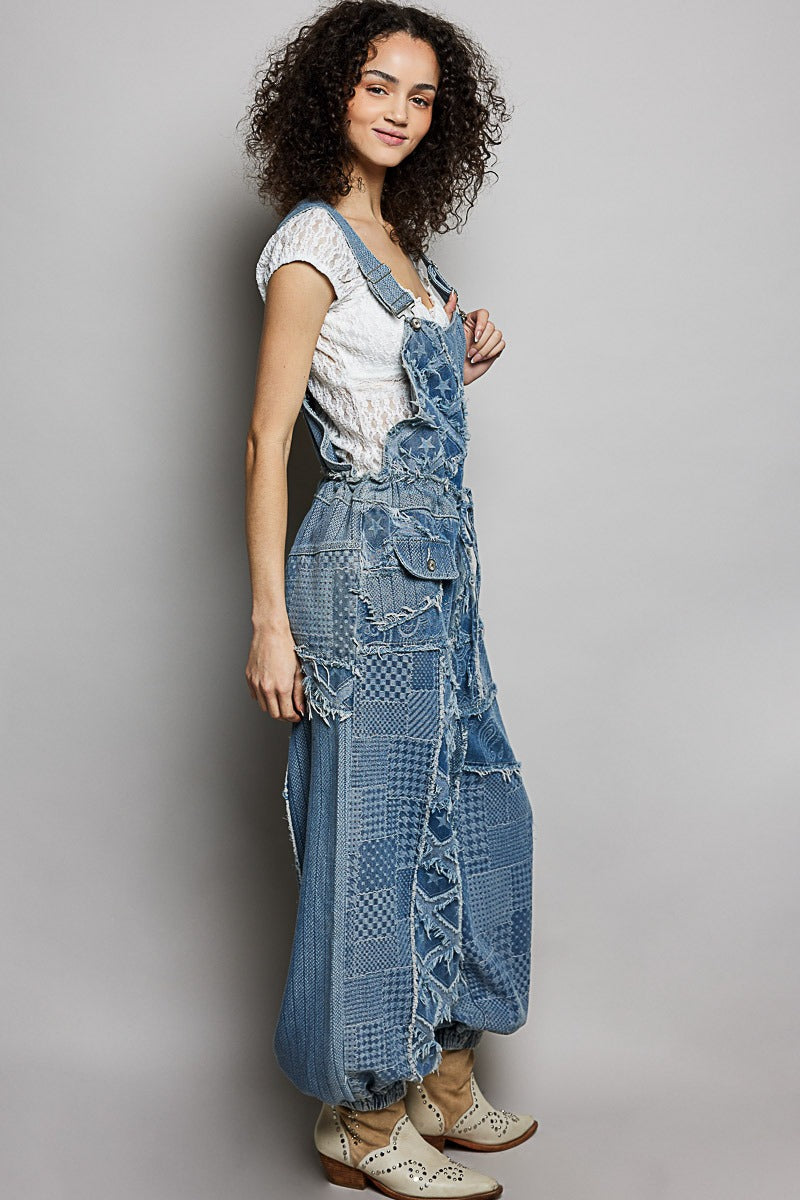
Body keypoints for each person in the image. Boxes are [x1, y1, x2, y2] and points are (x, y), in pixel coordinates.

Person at [240, 4, 536, 1196]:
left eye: (419, 96)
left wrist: (454, 350)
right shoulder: (311, 244)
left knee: (469, 815)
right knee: (370, 843)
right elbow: (269, 439)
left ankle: (440, 1083)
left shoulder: (403, 248)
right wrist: (268, 619)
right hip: (360, 571)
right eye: (377, 88)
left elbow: (387, 392)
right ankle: (358, 1122)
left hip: (440, 575)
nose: (398, 113)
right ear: (331, 97)